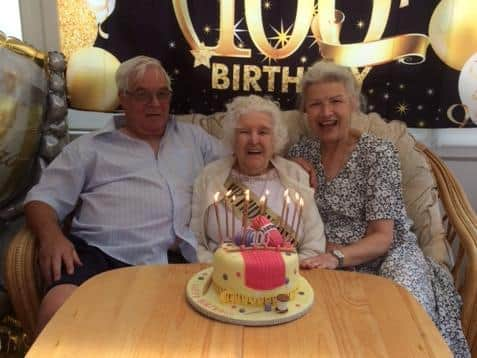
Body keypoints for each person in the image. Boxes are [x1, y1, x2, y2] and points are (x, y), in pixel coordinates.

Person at [24, 56, 224, 334]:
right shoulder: (89, 148)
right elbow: (42, 199)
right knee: (58, 308)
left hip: (182, 259)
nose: (154, 104)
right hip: (101, 255)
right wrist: (52, 237)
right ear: (123, 98)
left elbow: (244, 160)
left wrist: (289, 165)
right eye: (142, 94)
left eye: (161, 94)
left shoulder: (195, 139)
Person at [288, 60, 470, 356]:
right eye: (315, 105)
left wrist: (335, 257)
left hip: (387, 254)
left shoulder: (379, 152)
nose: (326, 113)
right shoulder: (301, 152)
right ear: (306, 112)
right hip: (324, 258)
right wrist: (286, 169)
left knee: (403, 327)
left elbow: (383, 237)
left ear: (353, 105)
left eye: (336, 101)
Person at [191, 95, 325, 263]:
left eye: (263, 132)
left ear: (275, 138)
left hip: (286, 281)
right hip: (222, 278)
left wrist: (287, 272)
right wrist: (222, 270)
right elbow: (194, 241)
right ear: (233, 138)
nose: (254, 140)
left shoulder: (296, 175)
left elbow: (314, 245)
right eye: (244, 132)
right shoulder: (209, 176)